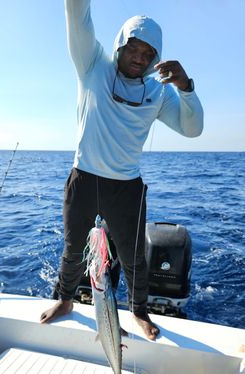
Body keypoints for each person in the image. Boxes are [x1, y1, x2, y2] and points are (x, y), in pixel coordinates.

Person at [40, 0, 203, 340]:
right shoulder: (92, 64)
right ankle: (66, 299)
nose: (140, 58)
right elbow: (76, 13)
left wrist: (186, 88)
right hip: (84, 177)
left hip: (126, 187)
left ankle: (139, 312)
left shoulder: (159, 90)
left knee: (133, 259)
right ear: (120, 44)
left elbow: (193, 129)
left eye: (148, 53)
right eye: (134, 48)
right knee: (72, 250)